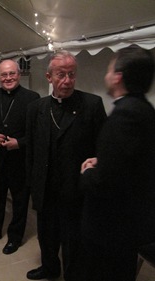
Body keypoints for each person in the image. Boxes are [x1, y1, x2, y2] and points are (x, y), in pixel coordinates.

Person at [25, 51, 107, 280]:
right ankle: (49, 268)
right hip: (46, 187)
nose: (67, 80)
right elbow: (31, 150)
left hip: (76, 189)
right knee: (46, 234)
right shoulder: (36, 109)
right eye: (61, 75)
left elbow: (103, 148)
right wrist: (32, 184)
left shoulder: (91, 105)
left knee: (74, 239)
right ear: (49, 77)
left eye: (71, 74)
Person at [80, 45, 155, 281]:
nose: (106, 75)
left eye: (109, 69)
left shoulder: (125, 116)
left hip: (113, 227)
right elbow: (131, 161)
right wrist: (103, 160)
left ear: (118, 77)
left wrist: (88, 171)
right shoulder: (144, 109)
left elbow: (104, 183)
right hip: (130, 221)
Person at [0, 59, 40, 255]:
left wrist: (19, 143)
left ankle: (15, 237)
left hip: (20, 159)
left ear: (19, 75)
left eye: (12, 74)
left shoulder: (32, 98)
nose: (8, 78)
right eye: (4, 75)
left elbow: (37, 132)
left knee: (20, 201)